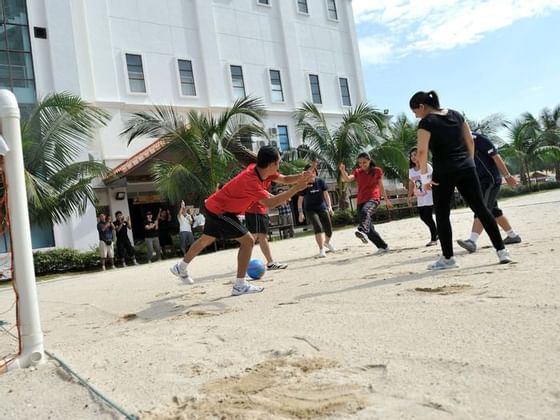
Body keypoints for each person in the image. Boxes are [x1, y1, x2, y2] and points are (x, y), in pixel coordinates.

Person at [170, 145, 312, 296]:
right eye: (278, 162)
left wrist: (301, 175)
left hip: (215, 206)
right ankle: (239, 285)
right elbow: (270, 203)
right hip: (221, 210)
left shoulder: (259, 171)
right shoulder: (251, 181)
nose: (279, 165)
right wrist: (296, 188)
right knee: (248, 240)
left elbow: (284, 179)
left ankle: (181, 266)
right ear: (271, 164)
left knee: (206, 239)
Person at [409, 90, 512, 269]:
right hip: (466, 168)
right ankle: (502, 251)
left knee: (442, 215)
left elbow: (422, 152)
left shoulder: (427, 122)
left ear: (422, 107)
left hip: (443, 171)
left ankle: (448, 259)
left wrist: (425, 176)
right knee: (482, 209)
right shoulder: (456, 114)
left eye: (415, 112)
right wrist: (469, 163)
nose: (416, 116)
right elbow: (470, 142)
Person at [456, 132, 521, 253]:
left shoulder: (479, 139)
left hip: (490, 180)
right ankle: (513, 236)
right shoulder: (454, 143)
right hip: (477, 182)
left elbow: (496, 156)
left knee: (482, 209)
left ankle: (472, 241)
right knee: (494, 211)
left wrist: (507, 176)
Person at [244, 169, 304, 270]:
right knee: (252, 239)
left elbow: (266, 191)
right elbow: (262, 194)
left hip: (260, 210)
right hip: (254, 210)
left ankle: (270, 262)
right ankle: (245, 265)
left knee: (261, 237)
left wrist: (277, 198)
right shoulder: (258, 177)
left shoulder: (267, 177)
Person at [339, 152, 393, 253]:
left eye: (364, 162)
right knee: (370, 228)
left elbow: (381, 186)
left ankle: (362, 230)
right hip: (361, 201)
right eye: (360, 163)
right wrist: (343, 170)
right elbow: (347, 179)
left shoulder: (377, 171)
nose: (362, 165)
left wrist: (386, 200)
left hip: (373, 199)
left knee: (365, 213)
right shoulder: (358, 172)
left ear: (369, 161)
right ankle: (383, 247)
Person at [297, 163, 335, 258]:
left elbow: (326, 195)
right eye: (309, 172)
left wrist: (330, 207)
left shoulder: (320, 181)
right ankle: (321, 249)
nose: (312, 174)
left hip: (322, 207)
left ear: (315, 173)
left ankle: (326, 242)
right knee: (317, 226)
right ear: (306, 174)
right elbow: (300, 200)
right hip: (310, 209)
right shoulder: (303, 185)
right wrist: (300, 213)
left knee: (329, 229)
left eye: (313, 172)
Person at [407, 147, 438, 246]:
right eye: (411, 155)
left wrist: (431, 183)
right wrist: (409, 196)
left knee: (428, 216)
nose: (413, 157)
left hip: (429, 195)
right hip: (420, 196)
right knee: (422, 217)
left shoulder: (427, 166)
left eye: (415, 154)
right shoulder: (412, 170)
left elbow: (433, 177)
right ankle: (437, 232)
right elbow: (411, 183)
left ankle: (434, 239)